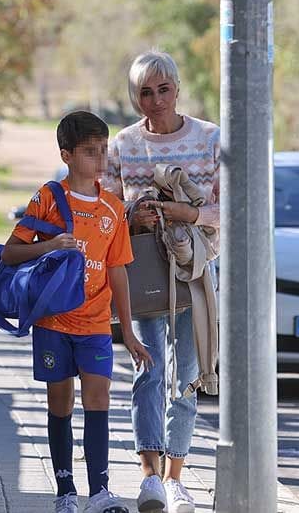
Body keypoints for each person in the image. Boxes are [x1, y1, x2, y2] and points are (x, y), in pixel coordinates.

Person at [2, 111, 152, 513]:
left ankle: (100, 491)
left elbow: (118, 269)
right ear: (66, 154)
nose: (100, 159)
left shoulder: (113, 207)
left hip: (96, 324)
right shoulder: (48, 198)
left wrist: (130, 331)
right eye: (89, 151)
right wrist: (50, 246)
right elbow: (12, 252)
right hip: (53, 322)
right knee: (60, 404)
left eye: (103, 150)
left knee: (99, 398)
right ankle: (65, 491)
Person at [103, 51, 220, 513]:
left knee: (186, 375)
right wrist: (136, 216)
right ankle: (149, 476)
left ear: (177, 89)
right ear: (135, 97)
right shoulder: (124, 144)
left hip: (194, 271)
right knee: (147, 371)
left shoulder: (210, 138)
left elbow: (226, 210)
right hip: (144, 269)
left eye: (163, 90)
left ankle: (176, 477)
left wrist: (182, 213)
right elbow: (109, 210)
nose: (155, 101)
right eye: (144, 93)